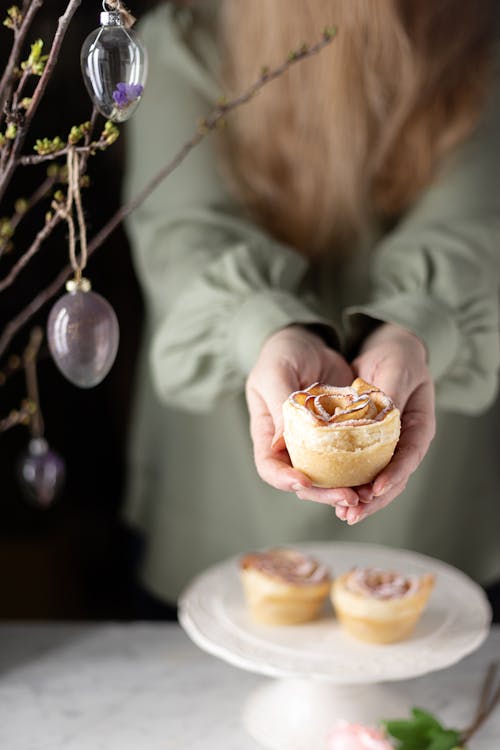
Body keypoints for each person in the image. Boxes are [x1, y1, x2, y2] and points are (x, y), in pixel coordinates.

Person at [122, 0, 500, 617]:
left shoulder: (481, 35)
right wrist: (265, 331)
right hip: (225, 475)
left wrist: (408, 334)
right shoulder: (184, 42)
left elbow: (475, 228)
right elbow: (184, 237)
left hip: (434, 493)